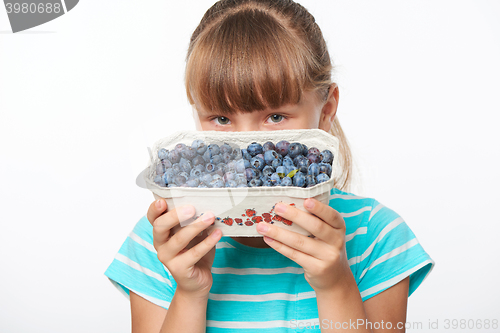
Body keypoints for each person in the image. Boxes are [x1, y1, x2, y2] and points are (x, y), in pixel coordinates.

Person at [104, 0, 435, 332]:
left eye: (275, 117)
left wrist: (335, 285)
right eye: (221, 118)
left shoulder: (377, 237)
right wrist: (190, 293)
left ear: (327, 110)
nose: (247, 147)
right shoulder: (162, 244)